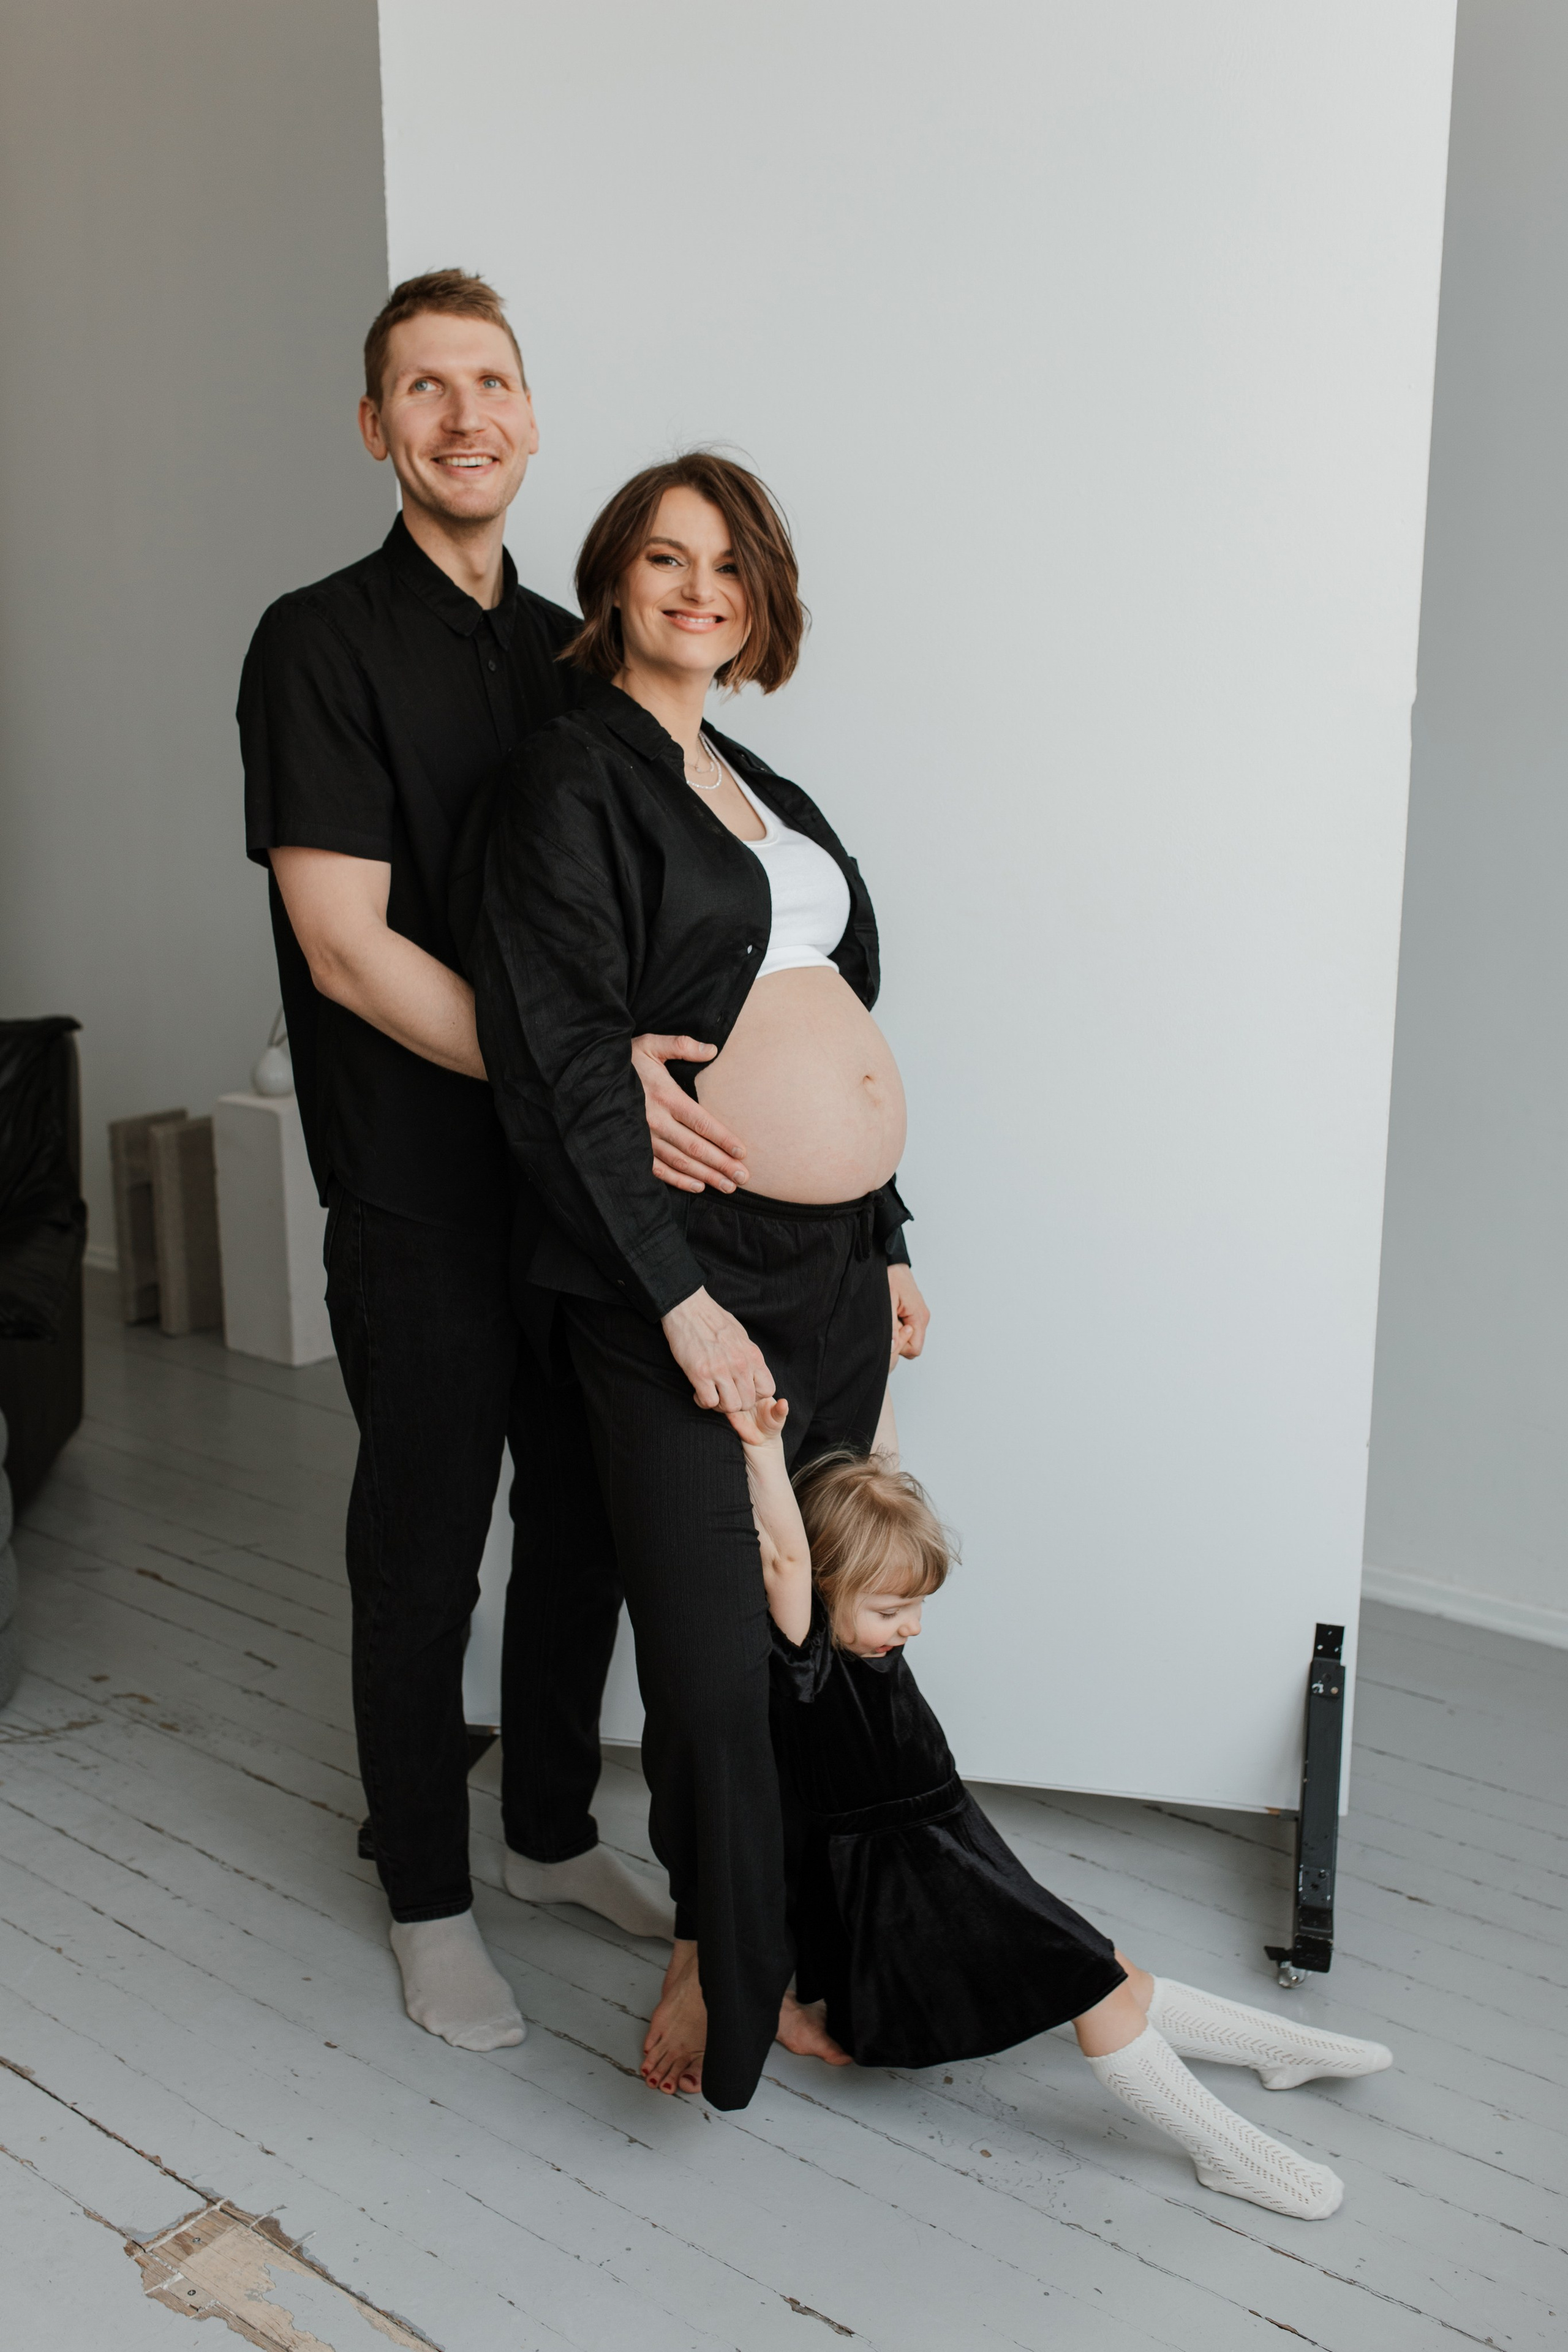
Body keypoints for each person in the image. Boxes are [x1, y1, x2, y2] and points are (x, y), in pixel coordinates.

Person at [238, 274, 750, 2053]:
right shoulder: (315, 642)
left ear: (530, 417)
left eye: (495, 382)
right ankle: (428, 1895)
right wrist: (577, 1076)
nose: (467, 415)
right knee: (427, 1545)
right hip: (421, 1193)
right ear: (378, 430)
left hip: (580, 1196)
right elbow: (347, 949)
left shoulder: (571, 655)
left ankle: (541, 1836)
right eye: (425, 389)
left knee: (588, 1525)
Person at [472, 452, 929, 2109]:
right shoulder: (570, 779)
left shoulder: (764, 790)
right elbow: (565, 1064)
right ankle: (734, 1998)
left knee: (819, 1641)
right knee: (717, 1650)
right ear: (615, 579)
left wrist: (882, 1238)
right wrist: (680, 1298)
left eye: (727, 566)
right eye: (665, 558)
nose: (697, 588)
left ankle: (767, 1936)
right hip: (679, 1276)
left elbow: (831, 1012)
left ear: (761, 600)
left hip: (824, 1269)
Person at [725, 1407, 1390, 2220]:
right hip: (906, 1888)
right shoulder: (806, 1659)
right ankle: (1228, 2154)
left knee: (1107, 1965)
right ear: (825, 1591)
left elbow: (886, 1466)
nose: (914, 1625)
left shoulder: (867, 1629)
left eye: (919, 1605)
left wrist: (888, 1371)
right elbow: (789, 1552)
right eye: (893, 1609)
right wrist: (761, 1447)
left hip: (954, 1840)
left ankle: (1274, 2052)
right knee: (1094, 1987)